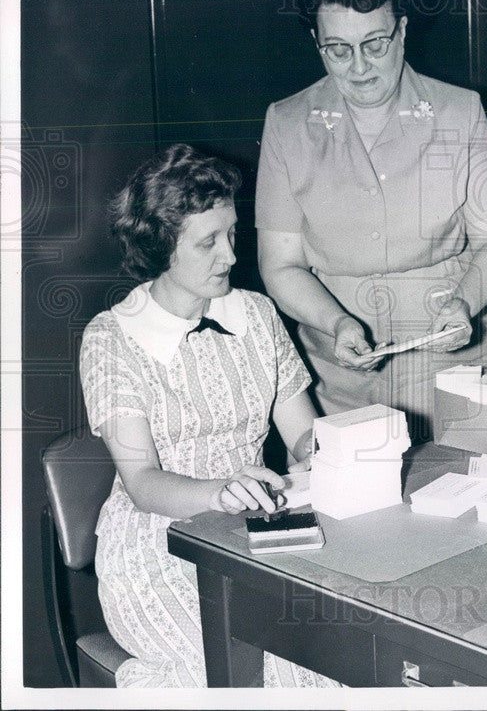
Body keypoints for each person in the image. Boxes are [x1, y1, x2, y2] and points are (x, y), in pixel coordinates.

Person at [79, 144, 336, 687]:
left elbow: (303, 435)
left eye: (233, 234)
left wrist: (340, 454)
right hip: (156, 549)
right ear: (159, 247)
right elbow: (143, 484)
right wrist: (221, 491)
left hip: (255, 530)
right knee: (257, 672)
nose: (230, 256)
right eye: (208, 242)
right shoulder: (111, 337)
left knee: (334, 654)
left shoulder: (257, 313)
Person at [256, 0, 487, 440]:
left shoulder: (458, 112)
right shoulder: (287, 123)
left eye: (374, 44)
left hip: (449, 360)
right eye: (337, 49)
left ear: (401, 31)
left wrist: (466, 303)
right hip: (340, 372)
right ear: (317, 44)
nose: (359, 67)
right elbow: (280, 265)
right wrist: (337, 324)